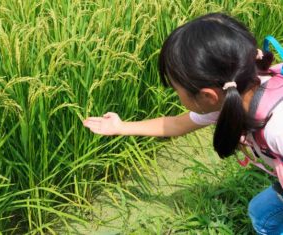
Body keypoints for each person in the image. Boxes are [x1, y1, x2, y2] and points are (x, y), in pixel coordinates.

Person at [82, 13, 283, 234]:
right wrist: (120, 127)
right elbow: (175, 125)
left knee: (264, 216)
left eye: (177, 90)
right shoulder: (238, 92)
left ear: (207, 96)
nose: (178, 96)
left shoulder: (276, 129)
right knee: (261, 213)